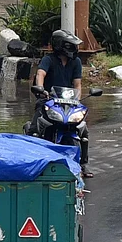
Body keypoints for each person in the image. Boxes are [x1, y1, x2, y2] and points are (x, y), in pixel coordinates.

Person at [31, 29, 92, 177]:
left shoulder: (76, 62)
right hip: (48, 100)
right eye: (70, 45)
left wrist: (77, 99)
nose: (75, 48)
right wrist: (41, 89)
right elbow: (40, 74)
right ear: (60, 45)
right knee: (34, 128)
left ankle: (83, 164)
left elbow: (77, 84)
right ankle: (32, 160)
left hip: (69, 102)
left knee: (83, 129)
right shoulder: (48, 59)